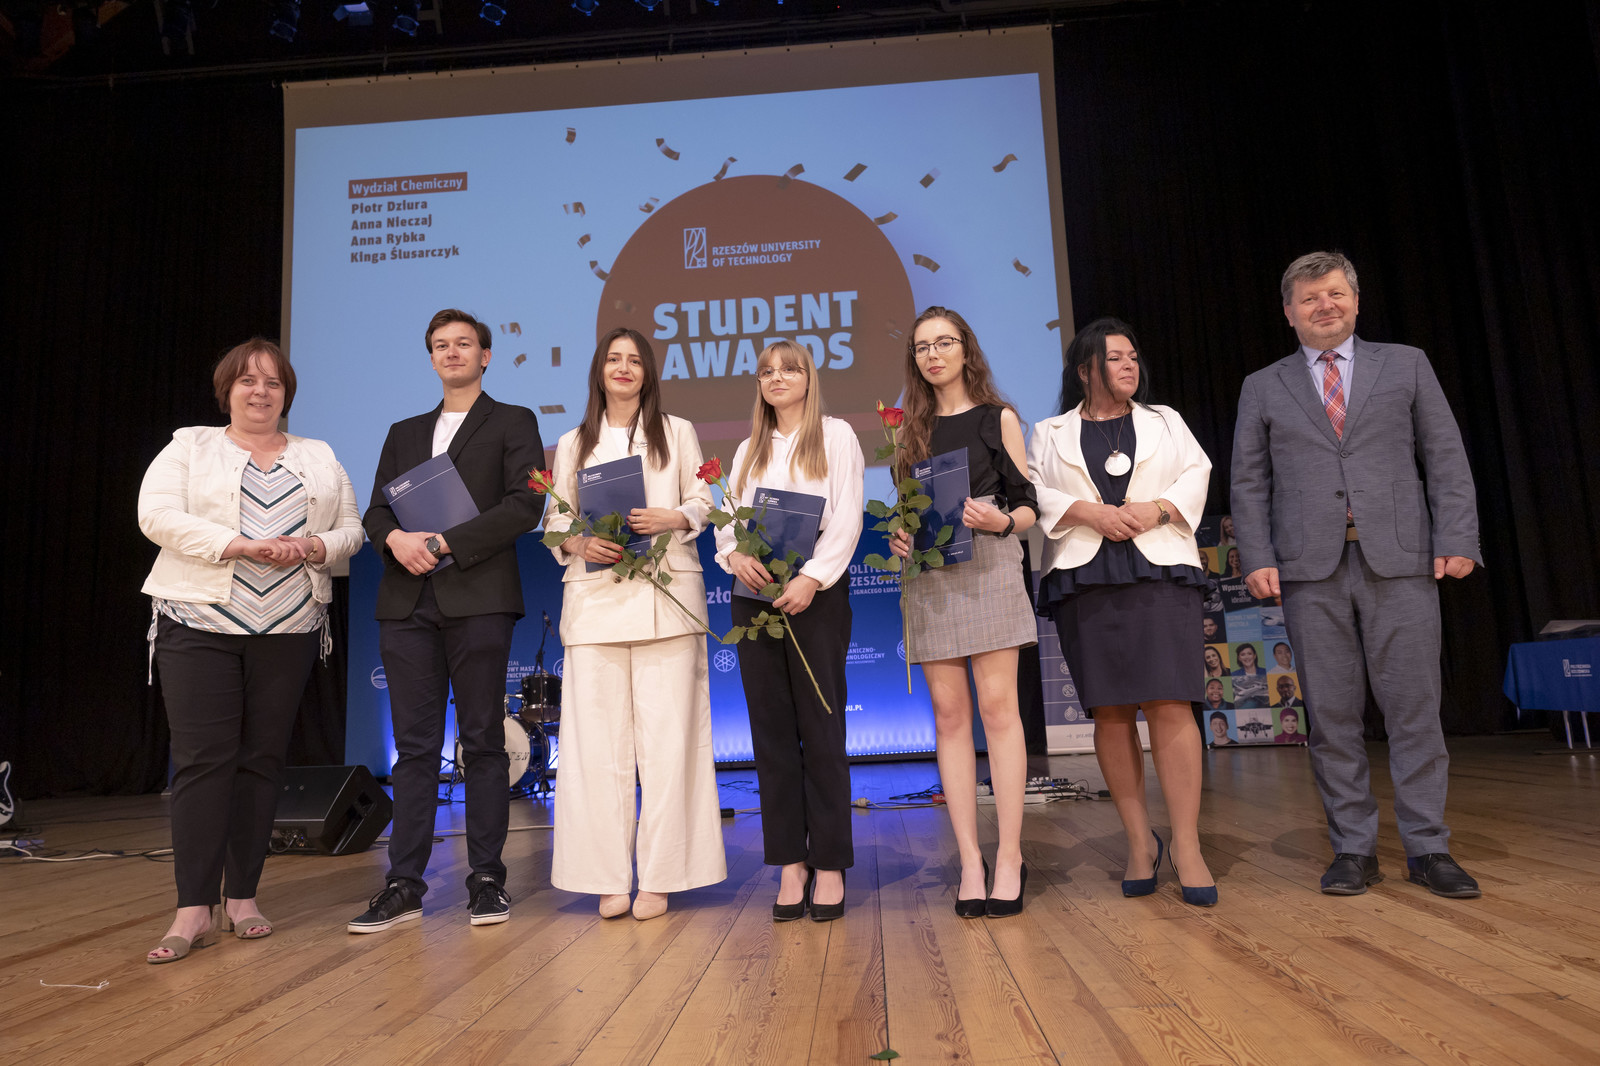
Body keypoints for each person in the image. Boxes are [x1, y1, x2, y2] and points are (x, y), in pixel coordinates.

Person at [1232, 251, 1482, 899]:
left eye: (1336, 293)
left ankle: (1428, 848)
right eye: (1310, 298)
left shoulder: (1407, 364)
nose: (1325, 305)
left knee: (1415, 711)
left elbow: (1445, 456)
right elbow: (1249, 482)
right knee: (1332, 716)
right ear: (1289, 312)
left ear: (1356, 301)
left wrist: (1457, 537)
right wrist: (1256, 556)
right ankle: (1353, 848)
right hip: (1309, 569)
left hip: (1400, 560)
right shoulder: (1263, 385)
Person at [139, 339, 365, 962]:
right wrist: (239, 545)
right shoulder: (190, 446)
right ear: (227, 390)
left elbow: (351, 529)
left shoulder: (319, 455)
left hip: (289, 626)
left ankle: (242, 898)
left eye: (272, 382)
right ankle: (193, 909)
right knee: (202, 763)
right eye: (247, 381)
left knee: (262, 762)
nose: (260, 391)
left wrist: (314, 547)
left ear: (286, 393)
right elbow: (155, 516)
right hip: (198, 622)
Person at [349, 309, 545, 932]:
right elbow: (376, 509)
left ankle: (487, 880)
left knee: (483, 740)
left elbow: (526, 505)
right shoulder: (403, 431)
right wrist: (394, 540)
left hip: (478, 595)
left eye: (464, 343)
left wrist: (444, 542)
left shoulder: (513, 421)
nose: (452, 352)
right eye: (441, 345)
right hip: (407, 600)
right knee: (413, 750)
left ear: (485, 356)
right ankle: (403, 885)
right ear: (431, 357)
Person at [1029, 317, 1216, 907]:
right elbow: (1033, 491)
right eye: (1115, 358)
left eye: (1133, 356)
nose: (1129, 364)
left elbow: (1198, 472)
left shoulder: (1166, 420)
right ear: (1085, 369)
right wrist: (1088, 512)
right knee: (1110, 712)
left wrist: (1158, 509)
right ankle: (1139, 842)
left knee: (1170, 701)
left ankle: (1187, 844)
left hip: (1160, 567)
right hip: (1085, 574)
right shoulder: (1049, 431)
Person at [546, 327, 726, 921]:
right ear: (599, 371)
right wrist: (577, 542)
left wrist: (674, 516)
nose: (623, 368)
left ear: (648, 372)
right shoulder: (573, 442)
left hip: (666, 600)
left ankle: (663, 875)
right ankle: (604, 877)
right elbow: (555, 519)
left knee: (671, 745)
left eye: (634, 360)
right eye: (613, 359)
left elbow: (706, 500)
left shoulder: (677, 431)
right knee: (596, 750)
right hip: (595, 603)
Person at [888, 306, 1037, 919]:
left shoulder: (998, 418)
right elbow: (907, 511)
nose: (933, 354)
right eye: (922, 346)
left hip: (990, 567)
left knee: (999, 711)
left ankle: (1010, 857)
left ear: (965, 348)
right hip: (931, 577)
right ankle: (971, 861)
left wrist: (1001, 520)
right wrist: (900, 537)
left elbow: (1027, 508)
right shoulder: (909, 433)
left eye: (943, 342)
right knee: (950, 718)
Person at [715, 340, 864, 922]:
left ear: (809, 377)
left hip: (815, 598)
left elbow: (847, 516)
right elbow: (728, 523)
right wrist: (734, 557)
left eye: (789, 369)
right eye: (766, 372)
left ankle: (828, 865)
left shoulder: (837, 435)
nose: (776, 378)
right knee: (771, 734)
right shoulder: (747, 448)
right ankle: (789, 864)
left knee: (821, 732)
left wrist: (812, 578)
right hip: (754, 600)